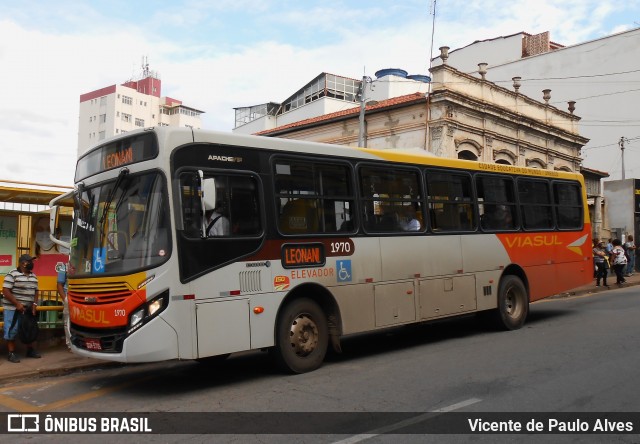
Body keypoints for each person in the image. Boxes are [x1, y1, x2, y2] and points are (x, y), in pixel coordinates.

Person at [2, 254, 42, 363]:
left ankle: (30, 350)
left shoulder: (33, 276)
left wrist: (34, 304)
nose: (32, 264)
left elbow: (36, 291)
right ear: (23, 263)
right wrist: (17, 304)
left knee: (28, 329)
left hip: (27, 309)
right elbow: (5, 291)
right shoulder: (12, 274)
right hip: (13, 309)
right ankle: (11, 353)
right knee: (12, 330)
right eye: (29, 261)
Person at [56, 263, 71, 350]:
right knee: (68, 322)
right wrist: (65, 299)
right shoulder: (64, 267)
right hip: (69, 299)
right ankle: (70, 345)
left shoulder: (83, 266)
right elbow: (59, 285)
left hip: (81, 298)